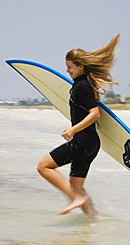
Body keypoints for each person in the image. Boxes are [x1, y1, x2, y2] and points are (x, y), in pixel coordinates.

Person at [37, 34, 120, 216]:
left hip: (82, 142)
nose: (67, 71)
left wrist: (73, 129)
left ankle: (74, 200)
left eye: (70, 67)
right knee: (77, 186)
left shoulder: (82, 87)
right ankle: (92, 220)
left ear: (80, 66)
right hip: (91, 144)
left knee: (43, 166)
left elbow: (95, 113)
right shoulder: (81, 84)